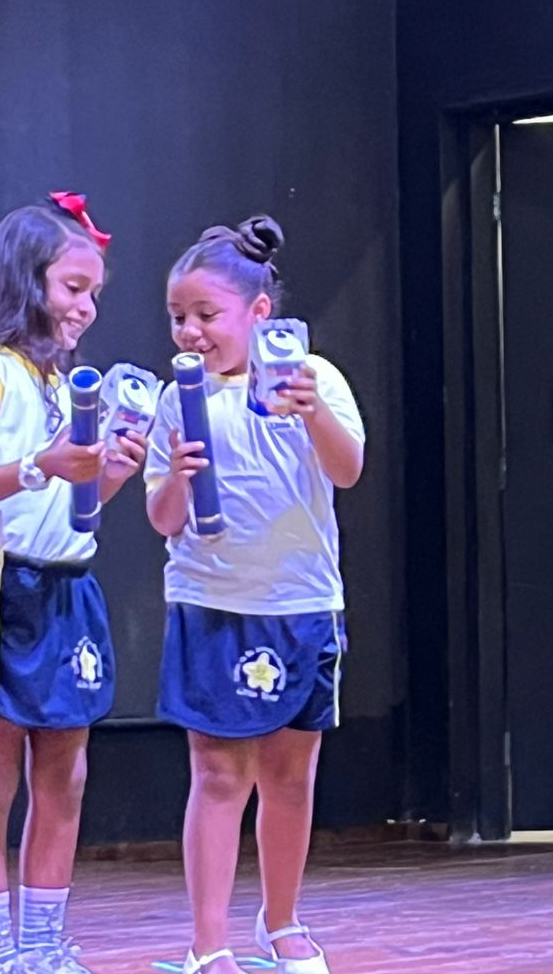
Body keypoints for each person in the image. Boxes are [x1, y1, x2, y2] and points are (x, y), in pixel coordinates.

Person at [0, 193, 145, 974]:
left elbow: (75, 505)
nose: (86, 307)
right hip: (1, 587)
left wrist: (112, 470)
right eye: (73, 288)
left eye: (94, 293)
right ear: (26, 280)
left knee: (66, 773)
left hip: (69, 587)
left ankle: (45, 945)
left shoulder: (62, 381)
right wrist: (39, 465)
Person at [144, 217, 364, 974]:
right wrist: (177, 475)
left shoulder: (314, 376)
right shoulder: (178, 398)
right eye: (178, 316)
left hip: (302, 603)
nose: (190, 331)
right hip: (212, 603)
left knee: (290, 776)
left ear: (259, 312)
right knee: (217, 774)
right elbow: (162, 519)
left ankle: (283, 921)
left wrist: (315, 412)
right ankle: (209, 942)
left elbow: (347, 470)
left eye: (207, 314)